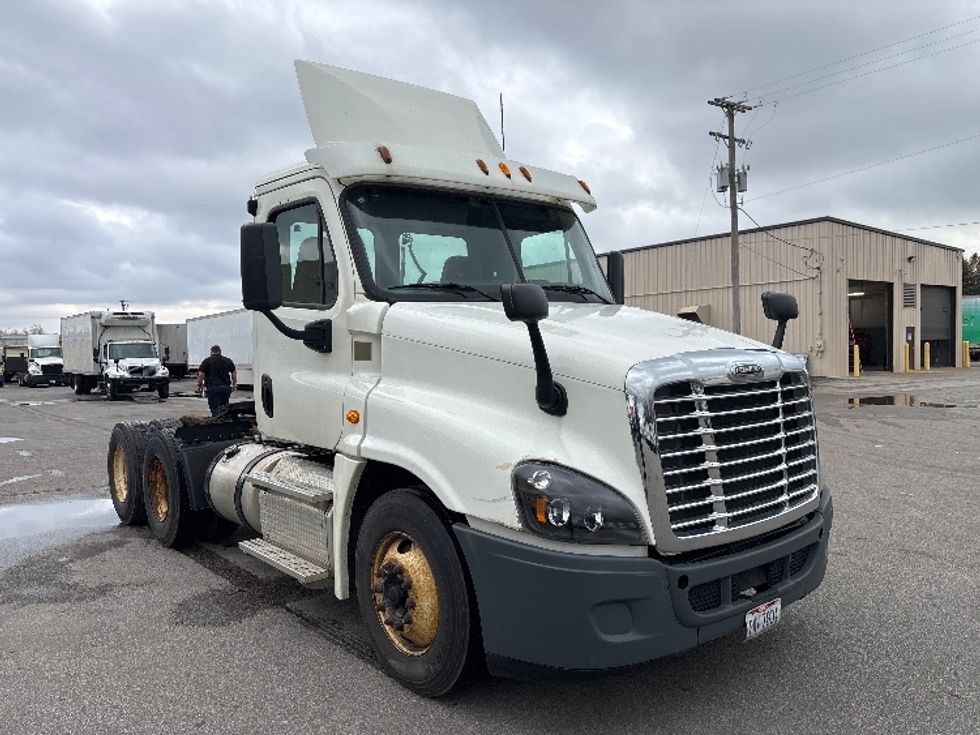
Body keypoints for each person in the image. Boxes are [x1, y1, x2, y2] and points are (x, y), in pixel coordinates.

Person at [196, 345, 237, 416]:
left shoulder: (207, 361)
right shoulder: (227, 360)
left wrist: (200, 385)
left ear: (211, 352)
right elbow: (234, 372)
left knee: (215, 409)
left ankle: (217, 424)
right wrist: (234, 384)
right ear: (220, 351)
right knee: (224, 409)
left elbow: (201, 374)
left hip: (213, 388)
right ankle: (225, 424)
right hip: (225, 388)